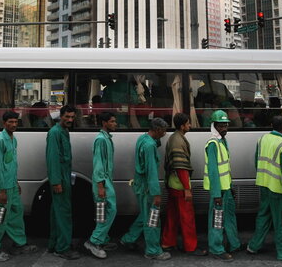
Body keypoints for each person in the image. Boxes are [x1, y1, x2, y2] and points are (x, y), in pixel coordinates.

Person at [247, 116, 282, 262]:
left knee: (264, 217)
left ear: (271, 125)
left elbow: (256, 162)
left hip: (264, 185)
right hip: (279, 189)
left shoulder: (263, 139)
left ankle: (254, 246)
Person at [0, 111, 37, 262]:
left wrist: (16, 182)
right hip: (1, 187)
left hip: (11, 186)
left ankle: (19, 244)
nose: (14, 125)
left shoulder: (13, 139)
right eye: (10, 122)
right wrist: (1, 190)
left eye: (16, 122)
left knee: (16, 214)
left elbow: (11, 164)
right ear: (4, 123)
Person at [120, 118, 171, 261]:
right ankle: (153, 251)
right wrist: (156, 194)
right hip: (148, 188)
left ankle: (129, 239)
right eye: (164, 130)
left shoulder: (143, 139)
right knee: (153, 219)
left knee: (144, 215)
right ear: (157, 130)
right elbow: (152, 171)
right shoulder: (149, 146)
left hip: (140, 185)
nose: (165, 133)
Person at [161, 113, 207, 256]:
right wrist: (187, 189)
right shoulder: (178, 141)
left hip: (173, 184)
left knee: (172, 215)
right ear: (182, 126)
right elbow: (181, 167)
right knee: (187, 218)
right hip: (180, 185)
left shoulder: (174, 138)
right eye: (188, 123)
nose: (190, 126)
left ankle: (167, 242)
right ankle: (190, 247)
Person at [204, 110, 242, 261]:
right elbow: (213, 172)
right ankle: (216, 249)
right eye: (220, 126)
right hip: (219, 191)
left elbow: (225, 168)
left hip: (226, 189)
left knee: (229, 217)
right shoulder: (213, 144)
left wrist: (230, 186)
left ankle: (234, 244)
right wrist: (216, 194)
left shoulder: (223, 141)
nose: (224, 128)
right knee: (217, 220)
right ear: (214, 126)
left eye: (226, 125)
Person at [46, 105, 81, 260]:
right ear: (60, 116)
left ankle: (55, 244)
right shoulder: (54, 133)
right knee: (64, 213)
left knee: (56, 213)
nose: (70, 120)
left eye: (72, 117)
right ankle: (62, 248)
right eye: (67, 117)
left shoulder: (64, 131)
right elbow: (52, 159)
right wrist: (56, 182)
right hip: (59, 178)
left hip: (65, 176)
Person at [84, 112, 119, 259]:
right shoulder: (100, 140)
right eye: (112, 121)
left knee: (102, 213)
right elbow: (98, 164)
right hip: (102, 182)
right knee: (111, 210)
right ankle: (94, 241)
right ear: (104, 123)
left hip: (105, 181)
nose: (115, 124)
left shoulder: (106, 138)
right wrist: (100, 186)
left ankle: (102, 239)